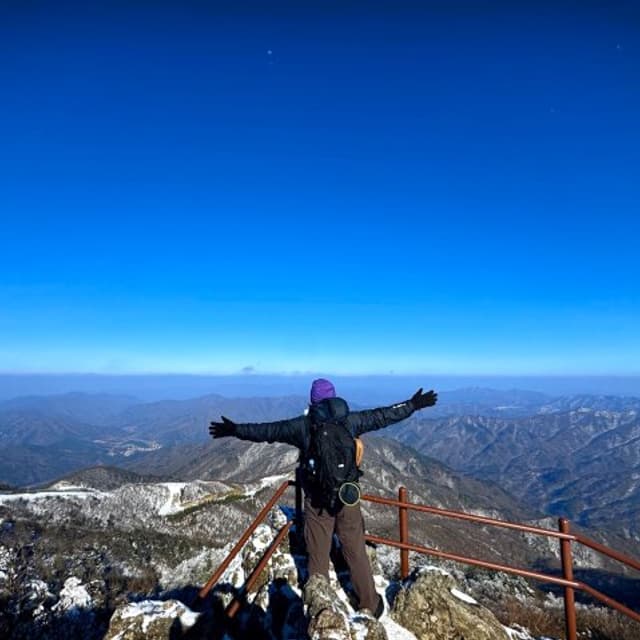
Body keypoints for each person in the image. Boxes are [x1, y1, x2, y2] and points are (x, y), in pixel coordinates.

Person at [209, 378, 438, 617]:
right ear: (334, 397)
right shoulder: (351, 420)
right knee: (356, 550)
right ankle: (370, 603)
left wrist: (235, 430)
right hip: (347, 497)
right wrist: (413, 404)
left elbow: (268, 431)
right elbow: (384, 415)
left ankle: (322, 609)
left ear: (313, 400)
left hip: (317, 500)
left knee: (318, 553)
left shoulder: (303, 426)